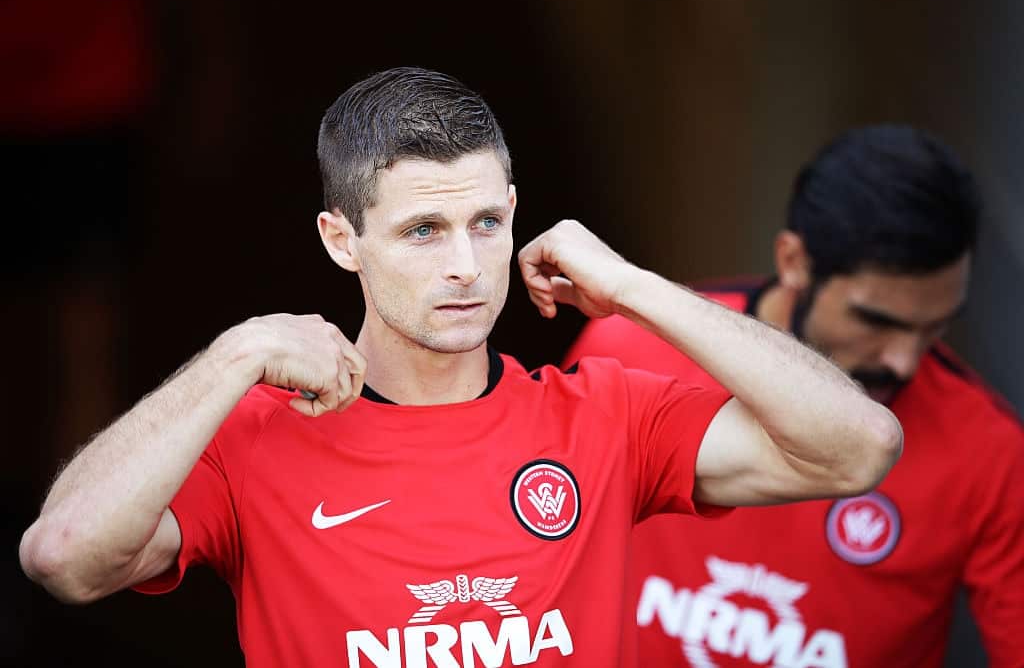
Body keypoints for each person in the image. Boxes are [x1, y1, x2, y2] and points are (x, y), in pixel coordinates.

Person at [18, 68, 901, 668]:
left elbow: (857, 448)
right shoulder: (252, 437)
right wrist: (235, 353)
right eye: (422, 232)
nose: (467, 268)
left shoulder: (603, 415)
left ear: (515, 210)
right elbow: (64, 556)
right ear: (341, 239)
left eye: (485, 222)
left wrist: (635, 288)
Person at [564, 124, 1024, 667]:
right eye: (875, 320)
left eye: (934, 327)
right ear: (793, 261)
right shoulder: (628, 344)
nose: (904, 360)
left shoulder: (989, 448)